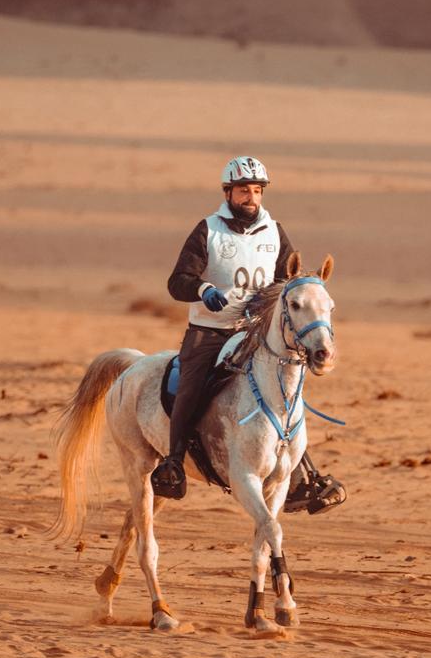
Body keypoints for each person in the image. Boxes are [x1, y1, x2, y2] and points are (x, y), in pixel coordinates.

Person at [149, 156, 347, 513]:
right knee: (190, 385)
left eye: (256, 190)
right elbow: (177, 282)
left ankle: (306, 477)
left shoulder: (274, 230)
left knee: (284, 391)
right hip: (209, 332)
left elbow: (289, 279)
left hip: (254, 331)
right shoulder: (208, 230)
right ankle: (174, 464)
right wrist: (204, 289)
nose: (251, 197)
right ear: (228, 192)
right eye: (243, 190)